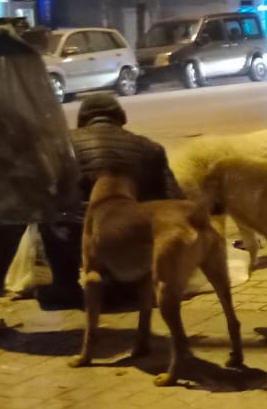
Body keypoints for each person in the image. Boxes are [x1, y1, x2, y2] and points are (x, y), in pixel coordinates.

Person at [37, 94, 184, 308]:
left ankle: (66, 286)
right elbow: (175, 201)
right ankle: (130, 286)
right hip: (128, 243)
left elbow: (44, 195)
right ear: (121, 117)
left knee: (49, 219)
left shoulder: (62, 146)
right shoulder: (150, 148)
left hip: (76, 241)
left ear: (82, 119)